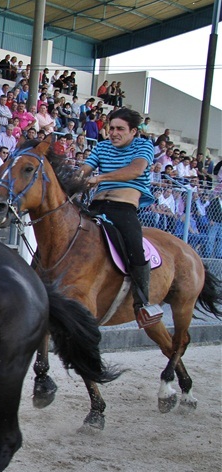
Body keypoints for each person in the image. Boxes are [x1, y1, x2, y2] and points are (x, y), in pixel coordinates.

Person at [80, 108, 163, 328]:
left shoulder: (143, 146)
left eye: (120, 129)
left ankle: (142, 303)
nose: (114, 133)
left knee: (135, 247)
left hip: (124, 207)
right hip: (96, 205)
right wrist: (73, 179)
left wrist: (101, 177)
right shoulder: (101, 146)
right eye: (111, 128)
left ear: (133, 131)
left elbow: (135, 170)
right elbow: (84, 170)